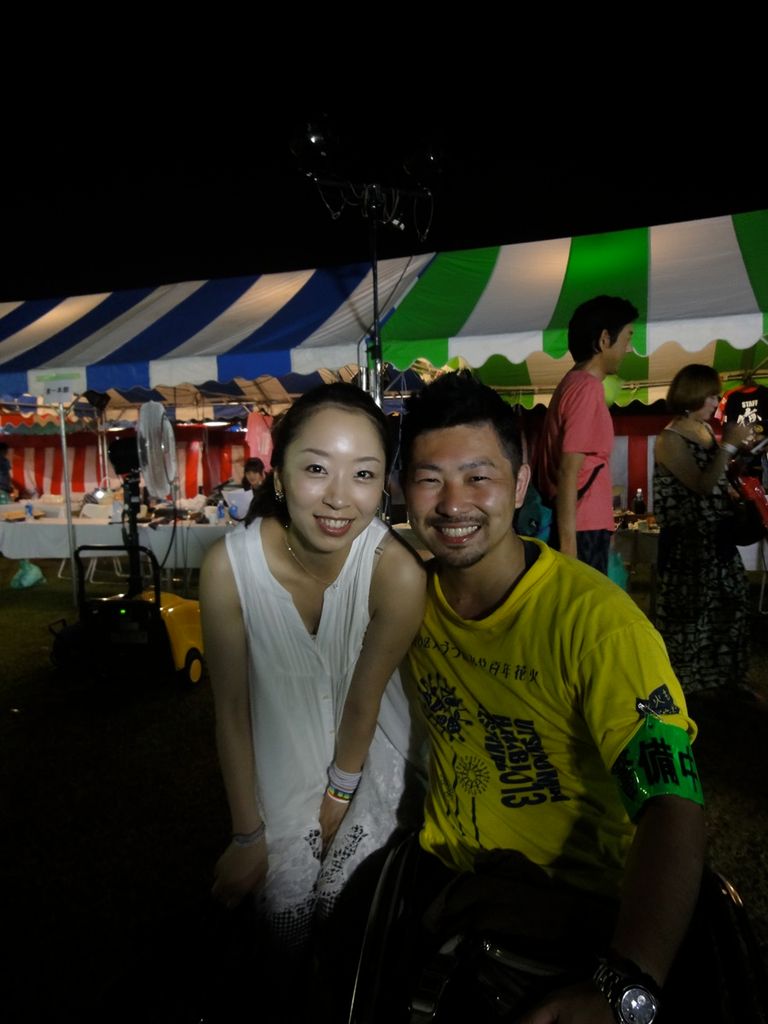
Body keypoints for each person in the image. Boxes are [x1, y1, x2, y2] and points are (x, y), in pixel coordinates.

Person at [392, 371, 704, 1024]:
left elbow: (671, 802)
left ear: (521, 483)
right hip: (447, 890)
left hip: (576, 916)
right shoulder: (402, 600)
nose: (453, 503)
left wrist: (627, 983)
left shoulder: (599, 625)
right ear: (402, 490)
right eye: (429, 479)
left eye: (478, 476)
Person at [199, 382, 427, 1011]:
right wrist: (247, 834)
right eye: (317, 468)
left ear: (383, 485)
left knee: (345, 909)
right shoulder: (228, 569)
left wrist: (337, 797)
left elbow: (365, 697)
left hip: (371, 752)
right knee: (282, 919)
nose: (339, 497)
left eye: (363, 474)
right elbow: (231, 710)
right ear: (278, 474)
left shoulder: (395, 571)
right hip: (281, 754)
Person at [653, 364, 756, 702]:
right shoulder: (670, 438)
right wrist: (727, 448)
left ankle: (725, 682)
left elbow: (717, 480)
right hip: (689, 548)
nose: (716, 402)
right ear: (694, 394)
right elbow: (701, 485)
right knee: (690, 621)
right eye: (712, 395)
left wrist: (738, 460)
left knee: (730, 609)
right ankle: (688, 693)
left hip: (717, 542)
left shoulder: (704, 430)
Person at [535, 295, 639, 573]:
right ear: (605, 340)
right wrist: (569, 548)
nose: (629, 349)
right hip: (582, 528)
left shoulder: (572, 382)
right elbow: (569, 471)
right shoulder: (587, 388)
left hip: (585, 525)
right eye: (627, 338)